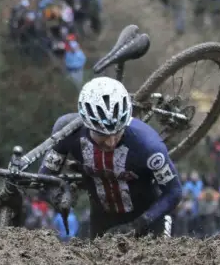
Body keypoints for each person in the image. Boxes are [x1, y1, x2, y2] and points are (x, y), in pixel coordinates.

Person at [39, 77, 183, 238]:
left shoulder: (148, 145)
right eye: (102, 134)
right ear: (87, 125)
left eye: (117, 132)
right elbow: (45, 178)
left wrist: (138, 224)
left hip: (148, 218)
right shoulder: (67, 131)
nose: (111, 142)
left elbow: (174, 192)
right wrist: (60, 199)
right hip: (103, 218)